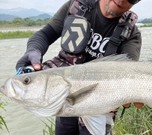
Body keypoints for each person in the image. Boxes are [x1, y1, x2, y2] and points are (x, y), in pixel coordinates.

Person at [15, 0, 143, 134]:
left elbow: (129, 73)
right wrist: (33, 50)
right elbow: (45, 35)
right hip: (64, 95)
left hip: (101, 106)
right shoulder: (76, 6)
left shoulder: (131, 35)